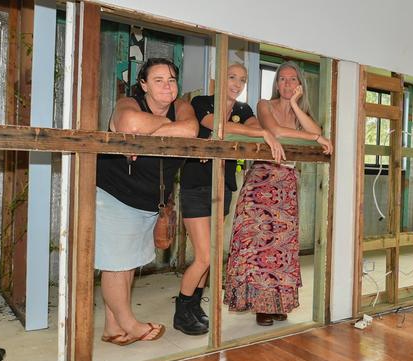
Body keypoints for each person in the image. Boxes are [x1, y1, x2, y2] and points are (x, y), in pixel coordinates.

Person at [174, 63, 285, 335]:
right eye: (232, 77)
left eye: (243, 80)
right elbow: (218, 127)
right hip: (196, 185)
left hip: (223, 187)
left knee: (210, 254)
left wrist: (259, 130)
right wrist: (260, 132)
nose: (237, 83)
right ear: (218, 79)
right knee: (203, 256)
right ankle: (181, 312)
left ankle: (194, 307)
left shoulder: (243, 109)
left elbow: (252, 126)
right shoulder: (202, 103)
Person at [95, 58, 198, 345]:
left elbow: (190, 130)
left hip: (148, 201)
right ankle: (132, 325)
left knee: (126, 264)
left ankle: (112, 329)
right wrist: (166, 124)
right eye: (158, 80)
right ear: (143, 85)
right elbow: (129, 122)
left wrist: (150, 129)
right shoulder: (130, 102)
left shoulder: (183, 108)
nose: (167, 86)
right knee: (116, 265)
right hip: (115, 194)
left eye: (172, 80)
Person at [223, 61, 332, 326]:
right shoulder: (264, 104)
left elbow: (315, 131)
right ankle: (261, 305)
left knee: (281, 248)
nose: (286, 84)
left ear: (300, 85)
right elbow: (275, 132)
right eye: (282, 79)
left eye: (292, 80)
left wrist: (296, 107)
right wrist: (315, 138)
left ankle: (278, 303)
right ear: (276, 83)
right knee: (257, 247)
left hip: (286, 185)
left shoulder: (299, 114)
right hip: (261, 182)